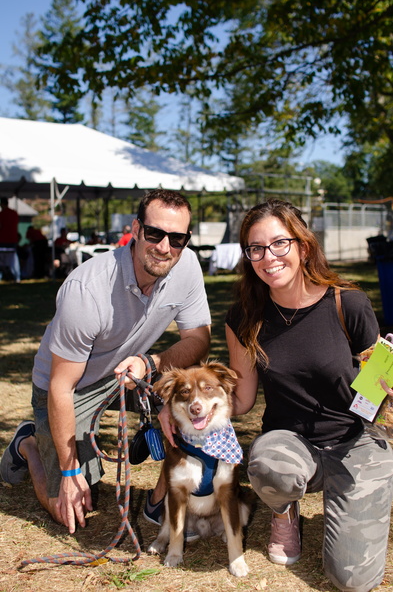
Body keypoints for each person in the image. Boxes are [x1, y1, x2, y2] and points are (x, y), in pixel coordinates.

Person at [0, 189, 211, 537]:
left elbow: (199, 340)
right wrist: (69, 474)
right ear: (136, 229)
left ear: (186, 241)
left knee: (201, 405)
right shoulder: (87, 289)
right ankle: (29, 443)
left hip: (129, 374)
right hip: (72, 387)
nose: (164, 247)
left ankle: (159, 502)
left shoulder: (186, 266)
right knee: (71, 510)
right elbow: (60, 386)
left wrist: (151, 362)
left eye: (177, 238)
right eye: (155, 234)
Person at [224, 199, 393, 592]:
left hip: (356, 441)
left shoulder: (346, 302)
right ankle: (285, 511)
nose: (268, 257)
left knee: (352, 581)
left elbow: (378, 385)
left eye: (280, 243)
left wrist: (388, 383)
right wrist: (188, 414)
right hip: (292, 443)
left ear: (302, 245)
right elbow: (243, 400)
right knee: (268, 465)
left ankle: (357, 493)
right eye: (256, 248)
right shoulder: (245, 317)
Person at [0, 197, 20, 282]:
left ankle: (3, 276)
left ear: (2, 204)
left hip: (3, 240)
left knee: (2, 260)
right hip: (12, 240)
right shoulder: (14, 213)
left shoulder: (1, 214)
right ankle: (17, 277)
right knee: (13, 260)